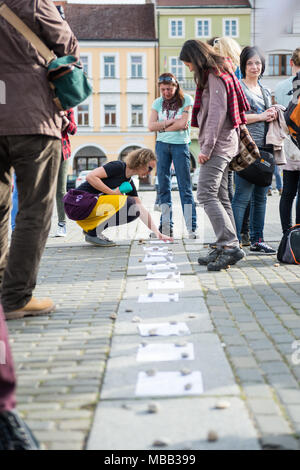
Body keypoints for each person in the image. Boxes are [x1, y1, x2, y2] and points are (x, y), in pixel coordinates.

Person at [0, 0, 79, 321]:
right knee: (36, 209)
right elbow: (68, 44)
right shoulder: (30, 2)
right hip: (32, 116)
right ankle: (16, 297)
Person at [179, 39, 247, 271]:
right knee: (221, 196)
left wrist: (205, 149)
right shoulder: (217, 73)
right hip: (225, 143)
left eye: (188, 64)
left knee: (206, 194)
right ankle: (225, 244)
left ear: (197, 59)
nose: (188, 69)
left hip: (218, 145)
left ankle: (229, 246)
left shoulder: (214, 76)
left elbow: (217, 115)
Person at [231, 46, 277, 255]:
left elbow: (269, 117)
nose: (254, 66)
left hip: (265, 149)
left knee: (261, 197)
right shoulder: (238, 88)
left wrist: (274, 114)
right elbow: (235, 117)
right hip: (245, 149)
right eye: (250, 63)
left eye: (258, 63)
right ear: (243, 66)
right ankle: (233, 241)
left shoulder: (266, 90)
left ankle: (258, 239)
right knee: (241, 197)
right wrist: (261, 116)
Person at [75, 148, 173, 245]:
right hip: (76, 202)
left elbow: (140, 208)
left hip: (87, 208)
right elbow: (90, 177)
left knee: (135, 210)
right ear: (141, 162)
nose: (149, 172)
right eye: (150, 168)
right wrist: (112, 193)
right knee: (129, 202)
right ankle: (92, 233)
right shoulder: (118, 166)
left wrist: (157, 233)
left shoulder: (129, 181)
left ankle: (93, 231)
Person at [148, 73, 197, 238]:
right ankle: (166, 227)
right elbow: (150, 126)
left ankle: (191, 228)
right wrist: (170, 123)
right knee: (163, 187)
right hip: (162, 146)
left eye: (169, 89)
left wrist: (161, 128)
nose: (166, 92)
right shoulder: (158, 102)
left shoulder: (186, 100)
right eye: (163, 89)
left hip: (180, 146)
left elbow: (184, 123)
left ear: (176, 87)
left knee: (185, 187)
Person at [276, 48, 300, 233]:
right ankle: (299, 235)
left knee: (288, 193)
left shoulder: (281, 87)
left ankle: (286, 235)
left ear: (291, 63)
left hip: (289, 145)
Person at [55, 109, 77, 237]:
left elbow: (73, 130)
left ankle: (61, 224)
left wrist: (64, 118)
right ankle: (39, 227)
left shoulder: (67, 108)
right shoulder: (41, 101)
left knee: (61, 190)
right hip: (43, 151)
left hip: (62, 152)